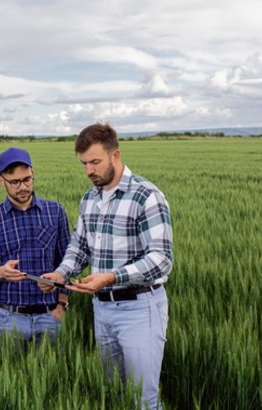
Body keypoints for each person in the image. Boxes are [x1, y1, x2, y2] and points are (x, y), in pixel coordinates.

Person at [39, 123, 173, 409]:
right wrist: (61, 273)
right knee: (111, 393)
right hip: (102, 309)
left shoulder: (146, 196)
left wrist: (111, 277)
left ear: (115, 155)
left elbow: (161, 259)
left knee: (143, 400)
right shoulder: (90, 199)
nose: (89, 170)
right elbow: (79, 246)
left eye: (95, 162)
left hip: (140, 309)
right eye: (84, 163)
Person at [0, 147, 71, 347]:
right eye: (15, 182)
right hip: (9, 317)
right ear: (2, 181)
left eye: (27, 179)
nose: (23, 187)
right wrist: (1, 272)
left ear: (33, 174)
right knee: (10, 372)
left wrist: (62, 305)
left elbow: (67, 262)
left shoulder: (55, 212)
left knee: (52, 376)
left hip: (50, 315)